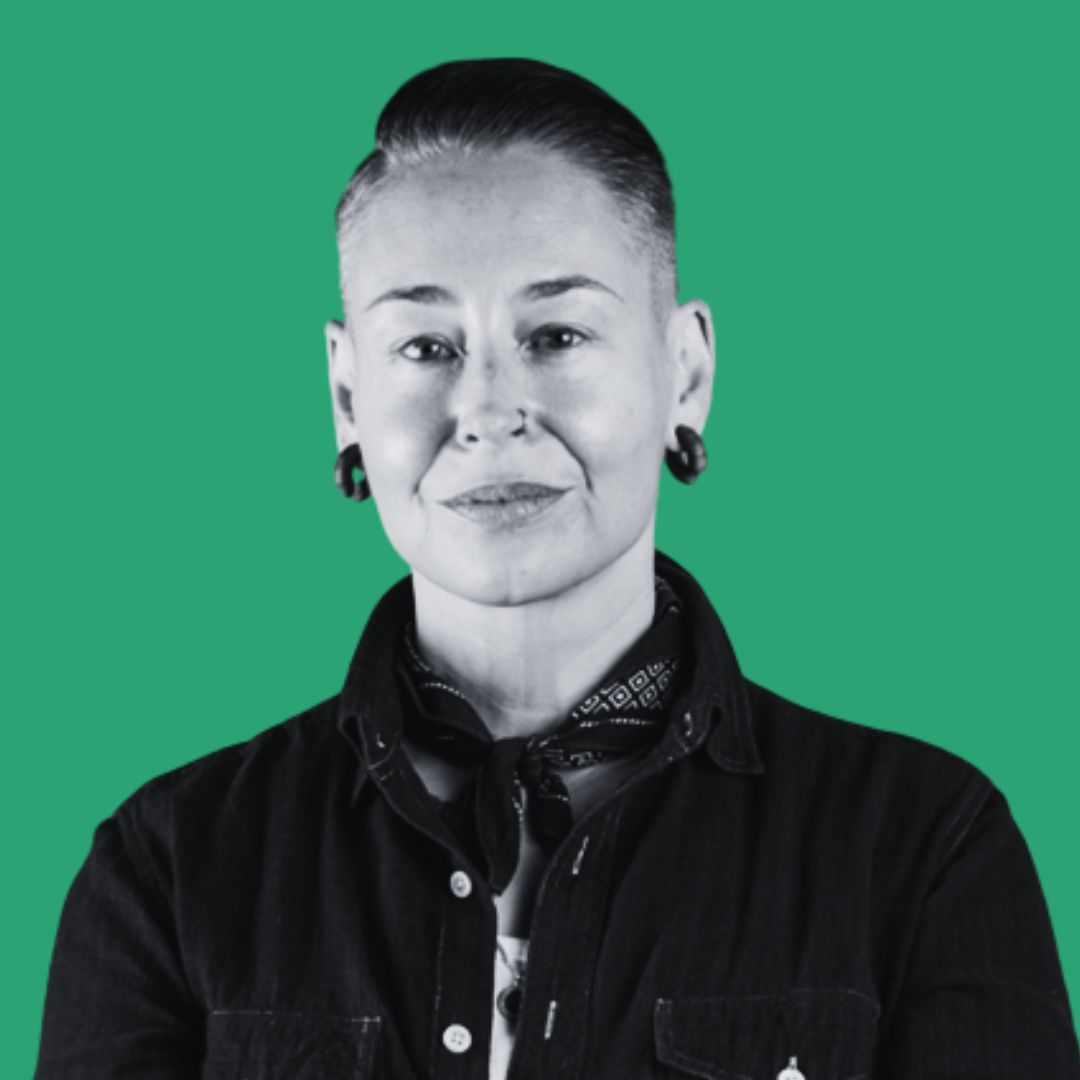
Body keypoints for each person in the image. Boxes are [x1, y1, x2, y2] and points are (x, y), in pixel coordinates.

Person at [34, 58, 1080, 1080]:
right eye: (425, 347)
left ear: (685, 372)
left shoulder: (924, 847)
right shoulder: (169, 867)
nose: (488, 411)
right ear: (347, 396)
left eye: (558, 334)